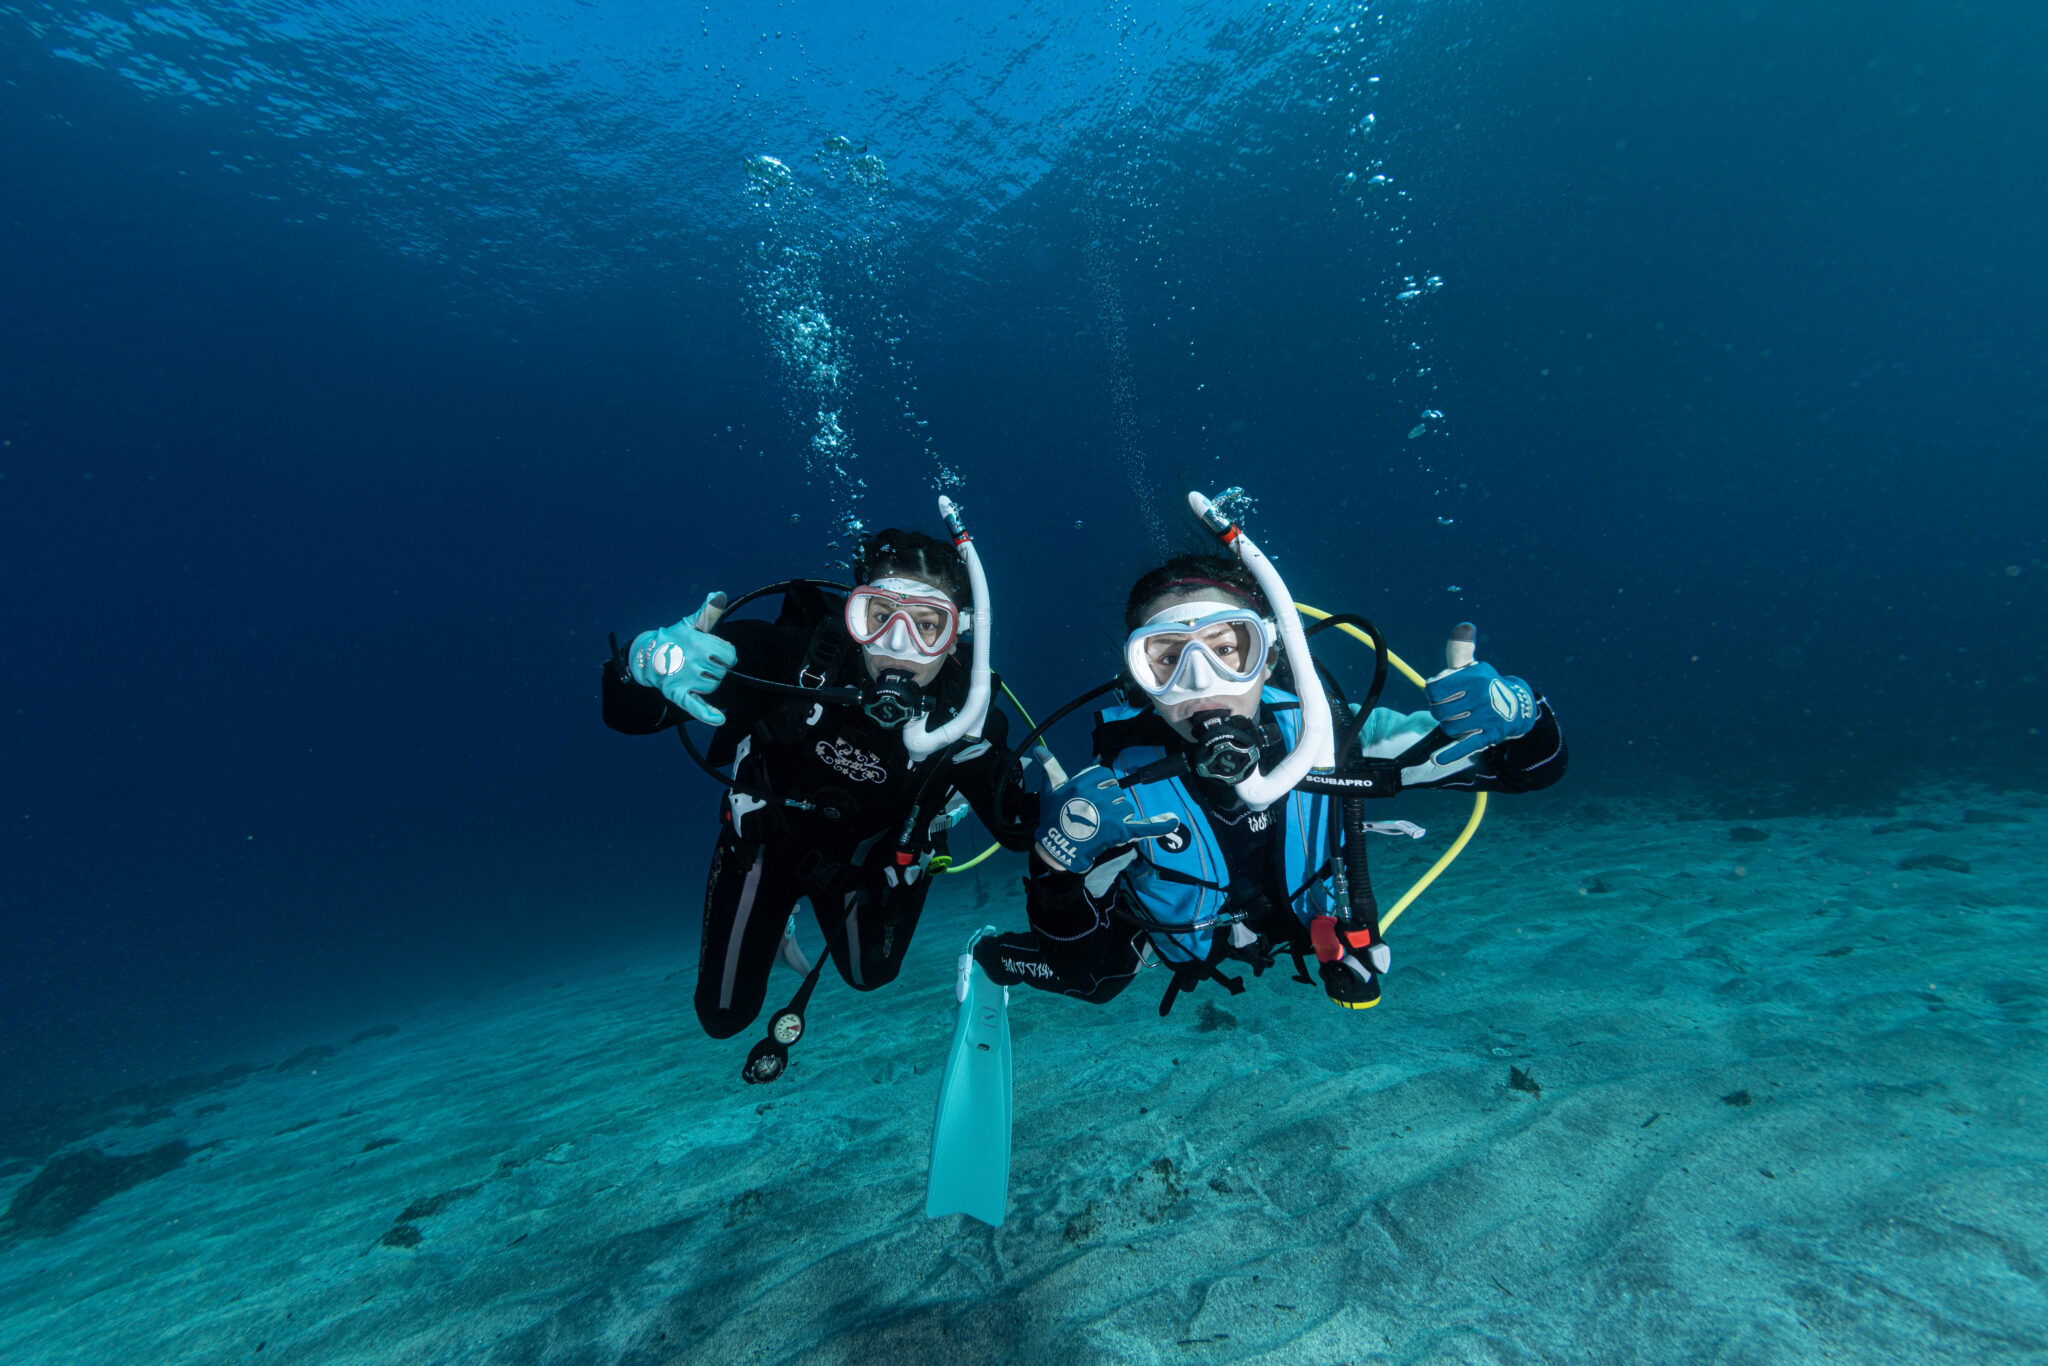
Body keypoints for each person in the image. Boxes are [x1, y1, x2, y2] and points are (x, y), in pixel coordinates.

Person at [971, 540, 1567, 1016]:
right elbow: (1072, 960)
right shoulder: (1119, 791)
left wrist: (1522, 716)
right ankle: (990, 958)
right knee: (1096, 982)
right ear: (1138, 679)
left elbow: (1531, 771)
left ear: (1271, 654)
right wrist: (1054, 870)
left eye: (1228, 649)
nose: (1201, 681)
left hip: (1314, 927)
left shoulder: (1336, 739)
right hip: (1169, 942)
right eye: (1166, 657)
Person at [603, 504, 1032, 1081]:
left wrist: (1041, 794)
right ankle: (776, 917)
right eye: (879, 616)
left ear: (956, 638)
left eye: (927, 625)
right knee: (722, 1016)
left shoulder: (966, 718)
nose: (897, 644)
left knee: (870, 974)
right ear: (853, 616)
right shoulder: (785, 659)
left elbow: (1019, 829)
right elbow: (625, 713)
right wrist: (647, 663)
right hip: (763, 850)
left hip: (865, 866)